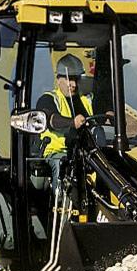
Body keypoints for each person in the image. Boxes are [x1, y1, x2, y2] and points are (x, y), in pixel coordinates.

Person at [36, 54, 93, 190]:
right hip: (57, 152)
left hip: (84, 153)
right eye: (68, 79)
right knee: (63, 165)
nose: (73, 84)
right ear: (58, 79)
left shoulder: (85, 100)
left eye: (76, 79)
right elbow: (51, 120)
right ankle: (59, 203)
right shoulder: (48, 99)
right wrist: (72, 122)